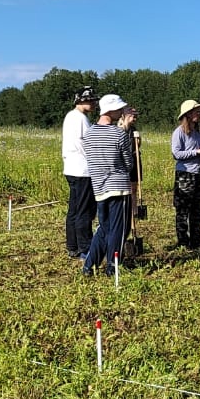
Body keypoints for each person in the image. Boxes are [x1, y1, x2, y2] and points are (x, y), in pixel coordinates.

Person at [81, 94, 137, 276]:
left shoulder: (88, 135)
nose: (121, 112)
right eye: (119, 109)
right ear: (111, 110)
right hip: (119, 187)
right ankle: (113, 267)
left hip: (99, 188)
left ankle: (89, 265)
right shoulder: (119, 134)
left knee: (103, 228)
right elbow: (129, 163)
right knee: (118, 229)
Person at [62, 85, 98, 258]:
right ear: (81, 100)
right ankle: (85, 247)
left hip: (70, 168)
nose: (93, 104)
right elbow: (86, 144)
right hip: (82, 170)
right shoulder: (81, 119)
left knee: (74, 210)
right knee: (84, 210)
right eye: (90, 100)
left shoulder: (70, 117)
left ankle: (72, 245)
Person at [170, 99, 200, 250]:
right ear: (187, 114)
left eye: (199, 111)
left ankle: (196, 240)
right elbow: (176, 153)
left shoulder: (199, 133)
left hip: (198, 173)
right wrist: (197, 152)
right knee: (183, 209)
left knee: (199, 208)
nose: (199, 114)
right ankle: (183, 242)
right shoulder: (179, 132)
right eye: (195, 111)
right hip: (185, 175)